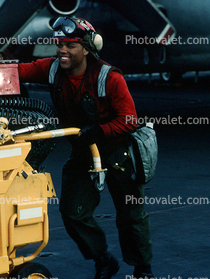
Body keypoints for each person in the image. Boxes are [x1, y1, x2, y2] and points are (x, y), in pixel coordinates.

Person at [17, 16, 154, 279]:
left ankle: (143, 269)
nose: (62, 50)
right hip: (83, 154)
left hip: (118, 154)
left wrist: (100, 130)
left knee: (131, 216)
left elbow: (129, 120)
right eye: (59, 44)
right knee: (72, 213)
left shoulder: (109, 77)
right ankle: (103, 259)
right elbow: (23, 70)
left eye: (70, 45)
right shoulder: (53, 68)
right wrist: (0, 66)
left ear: (87, 48)